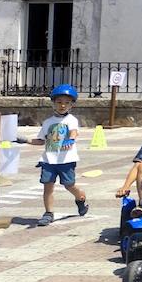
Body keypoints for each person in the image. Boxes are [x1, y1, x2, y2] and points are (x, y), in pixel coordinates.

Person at [32, 83, 88, 226]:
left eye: (66, 103)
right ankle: (48, 213)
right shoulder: (48, 122)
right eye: (59, 102)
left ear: (71, 105)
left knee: (69, 185)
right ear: (53, 103)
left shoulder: (71, 120)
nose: (62, 106)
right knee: (48, 186)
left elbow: (74, 132)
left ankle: (80, 198)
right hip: (49, 160)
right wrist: (23, 140)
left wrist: (71, 139)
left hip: (66, 160)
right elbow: (40, 140)